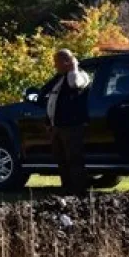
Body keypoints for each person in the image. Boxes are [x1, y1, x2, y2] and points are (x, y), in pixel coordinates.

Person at [40, 49, 91, 195]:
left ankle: (79, 191)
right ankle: (67, 189)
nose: (55, 66)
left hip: (72, 126)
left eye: (57, 63)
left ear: (67, 61)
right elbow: (48, 96)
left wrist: (73, 67)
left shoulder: (80, 75)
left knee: (74, 159)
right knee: (61, 160)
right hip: (57, 126)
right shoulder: (59, 78)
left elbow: (74, 84)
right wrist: (49, 123)